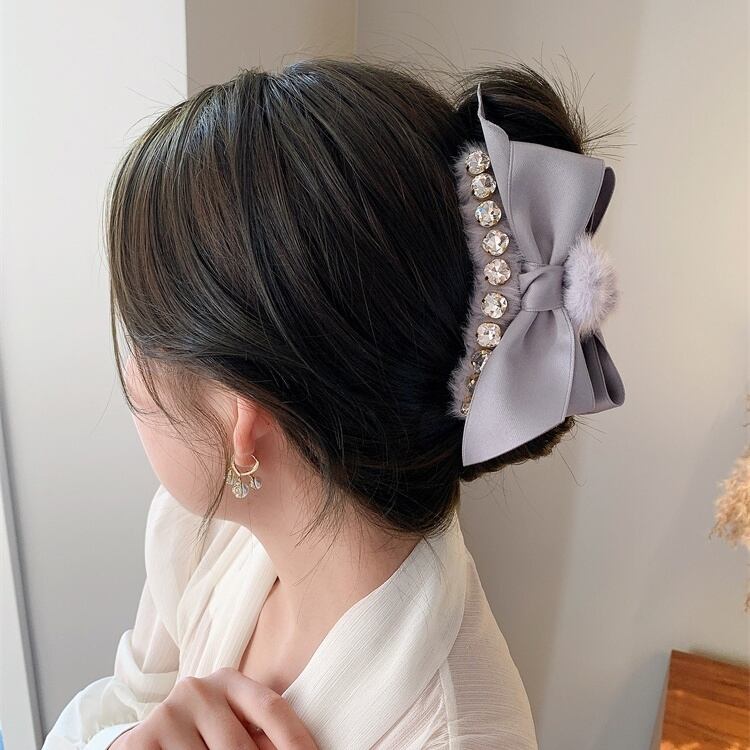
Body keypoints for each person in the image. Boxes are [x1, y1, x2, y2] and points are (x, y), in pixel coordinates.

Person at [42, 56, 624, 750]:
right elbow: (125, 701)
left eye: (143, 340)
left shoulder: (461, 733)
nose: (130, 373)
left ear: (239, 422)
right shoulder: (200, 533)